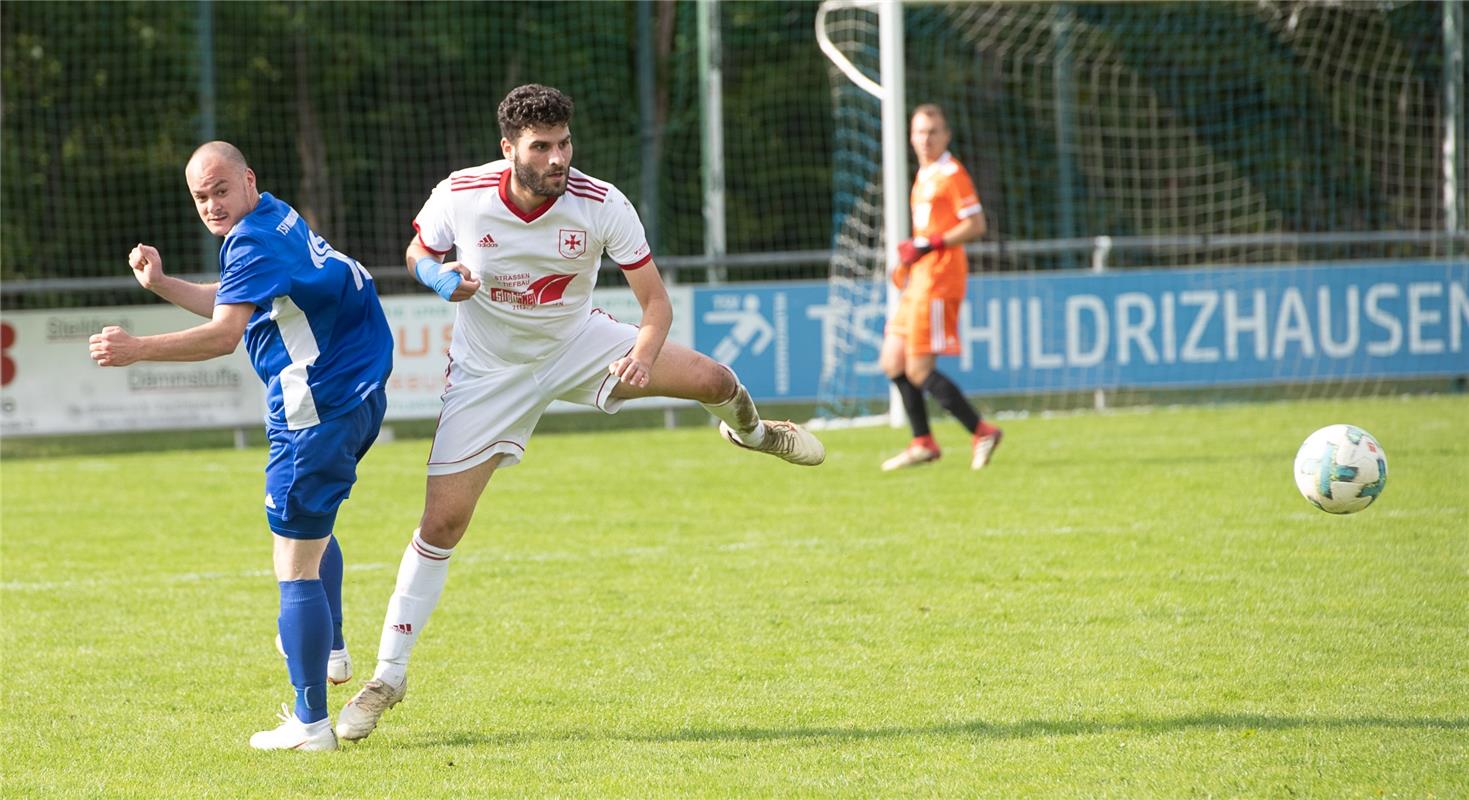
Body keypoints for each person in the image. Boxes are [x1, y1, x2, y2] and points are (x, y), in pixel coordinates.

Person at [334, 83, 824, 742]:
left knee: (712, 377)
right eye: (542, 147)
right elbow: (418, 251)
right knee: (442, 522)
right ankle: (387, 678)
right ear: (509, 149)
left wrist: (643, 357)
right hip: (489, 372)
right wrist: (436, 276)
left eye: (564, 143)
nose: (558, 158)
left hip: (578, 344)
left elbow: (654, 305)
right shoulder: (461, 192)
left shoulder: (601, 204)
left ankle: (758, 434)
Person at [88, 141, 394, 751]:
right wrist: (164, 284)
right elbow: (241, 302)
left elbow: (226, 333)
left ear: (248, 180)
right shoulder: (275, 216)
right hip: (358, 395)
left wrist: (137, 348)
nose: (211, 204)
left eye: (220, 190)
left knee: (293, 562)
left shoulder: (252, 238)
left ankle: (310, 726)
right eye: (200, 197)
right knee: (313, 535)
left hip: (316, 413)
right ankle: (331, 648)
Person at [879, 103, 1001, 472]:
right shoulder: (925, 174)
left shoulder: (952, 173)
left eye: (933, 131)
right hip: (920, 278)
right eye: (920, 131)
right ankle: (923, 442)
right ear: (911, 136)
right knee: (892, 360)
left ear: (946, 135)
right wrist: (910, 257)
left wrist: (930, 246)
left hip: (940, 280)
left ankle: (982, 431)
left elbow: (976, 224)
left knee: (918, 370)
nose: (926, 138)